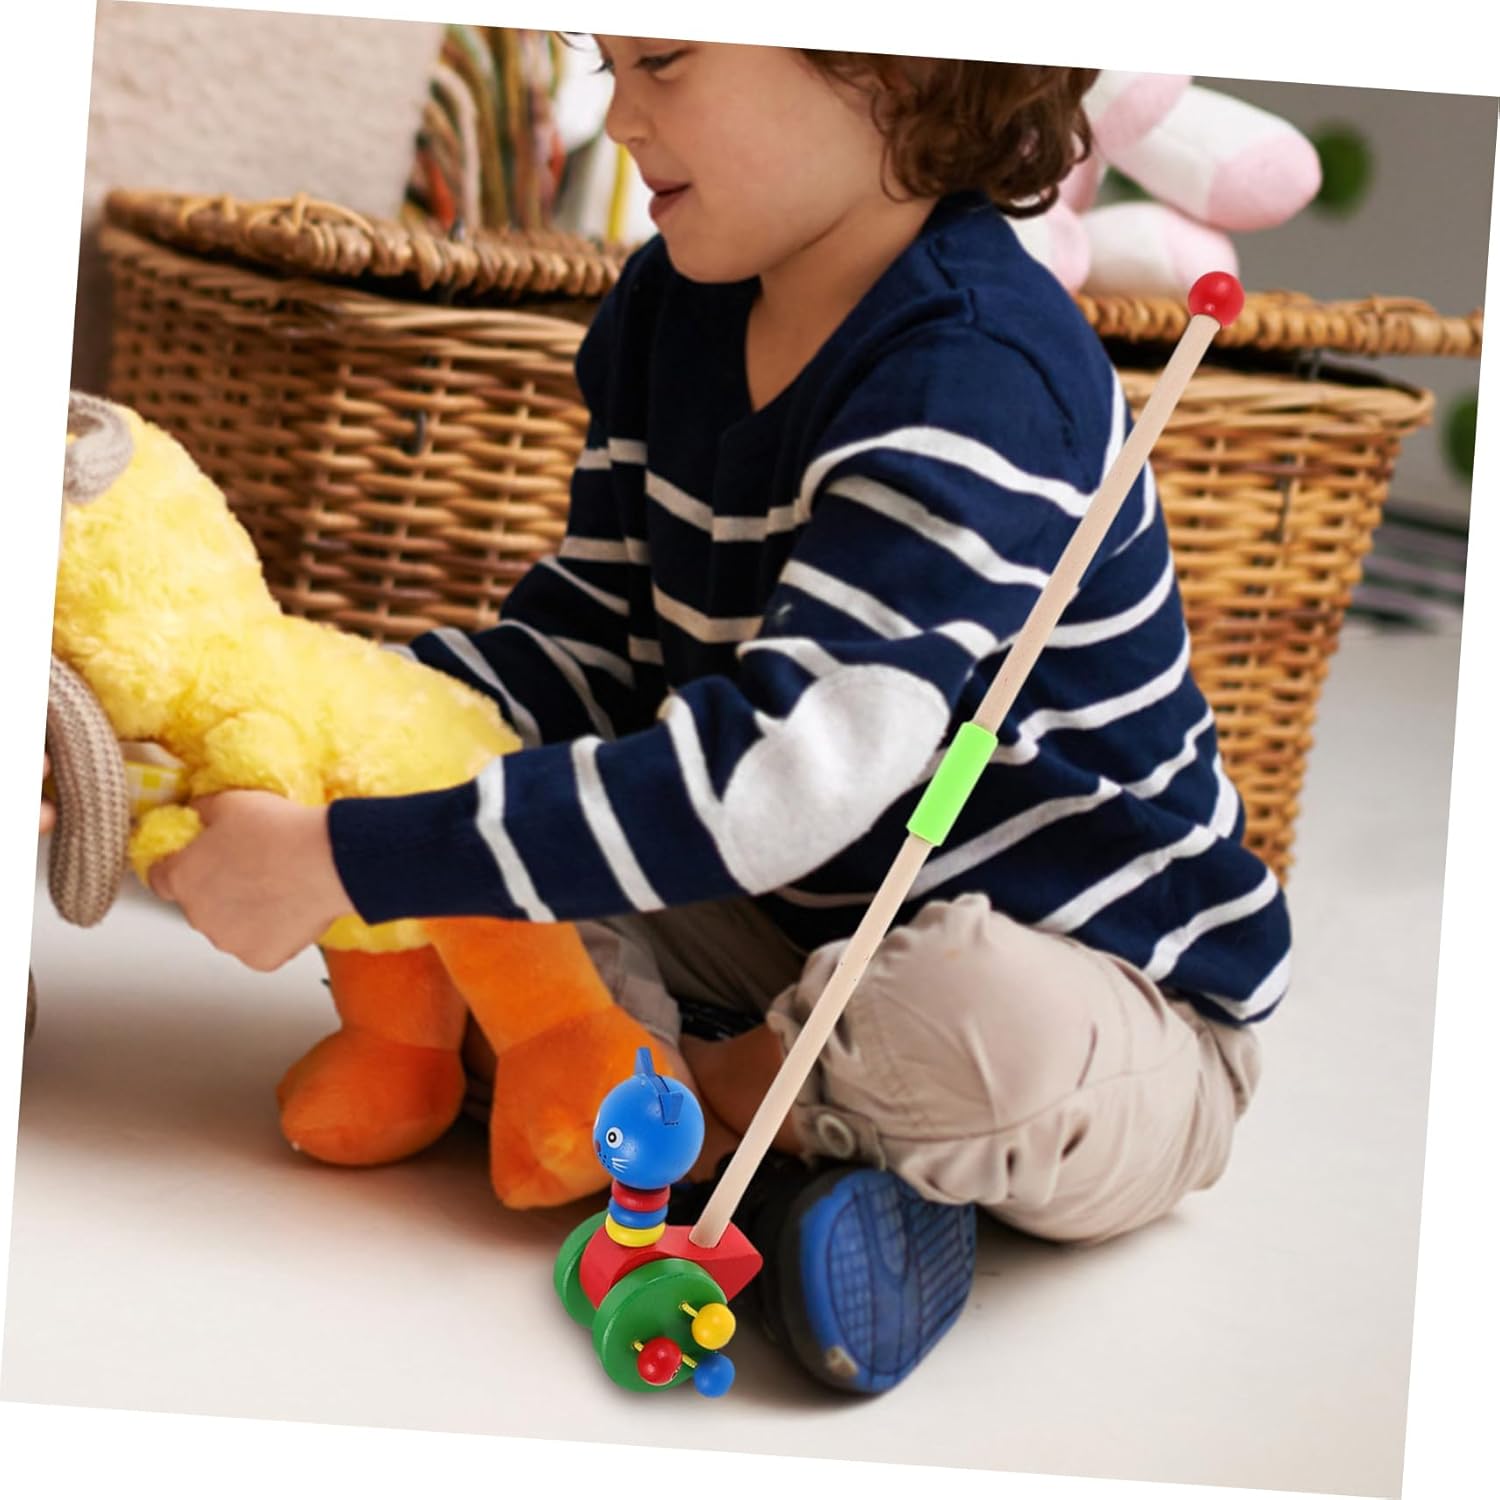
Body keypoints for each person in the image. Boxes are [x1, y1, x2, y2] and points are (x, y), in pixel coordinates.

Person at [147, 39, 1290, 1396]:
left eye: (668, 62)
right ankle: (753, 1142)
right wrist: (302, 741)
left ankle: (686, 1114)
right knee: (495, 889)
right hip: (777, 914)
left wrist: (348, 863)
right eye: (609, 60)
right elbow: (582, 652)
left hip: (1097, 991)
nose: (620, 115)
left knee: (979, 1028)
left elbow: (778, 776)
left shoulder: (982, 376)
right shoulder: (670, 308)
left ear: (892, 68)